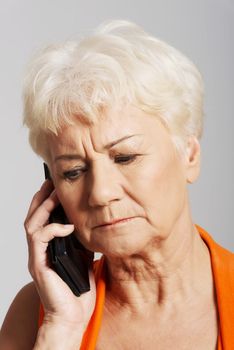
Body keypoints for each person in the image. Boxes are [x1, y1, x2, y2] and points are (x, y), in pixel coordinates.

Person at [0, 20, 233, 350]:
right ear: (51, 189)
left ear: (189, 156)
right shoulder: (36, 314)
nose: (101, 193)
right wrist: (61, 329)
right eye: (73, 172)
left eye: (125, 157)